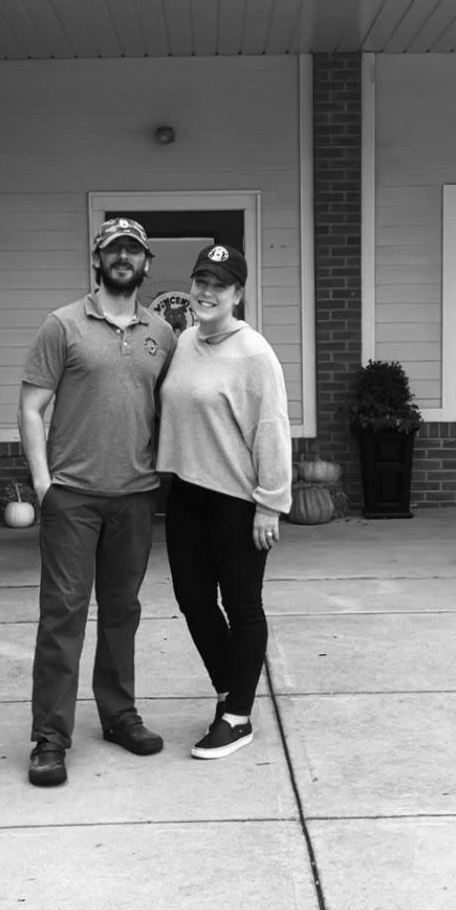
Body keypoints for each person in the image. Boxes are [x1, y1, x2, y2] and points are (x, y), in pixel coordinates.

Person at [18, 217, 176, 787]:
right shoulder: (62, 325)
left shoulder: (163, 333)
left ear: (146, 263)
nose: (124, 258)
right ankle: (50, 737)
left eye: (133, 251)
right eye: (114, 250)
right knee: (62, 616)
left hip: (134, 498)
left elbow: (173, 412)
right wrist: (43, 486)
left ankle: (118, 715)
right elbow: (31, 408)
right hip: (74, 498)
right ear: (98, 259)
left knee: (121, 614)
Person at [156, 243, 292, 759]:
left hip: (238, 501)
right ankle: (227, 690)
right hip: (187, 493)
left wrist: (270, 504)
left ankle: (237, 716)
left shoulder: (254, 354)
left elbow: (272, 430)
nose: (207, 292)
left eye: (220, 284)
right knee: (192, 600)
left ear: (238, 293)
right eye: (201, 281)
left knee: (242, 605)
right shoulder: (184, 341)